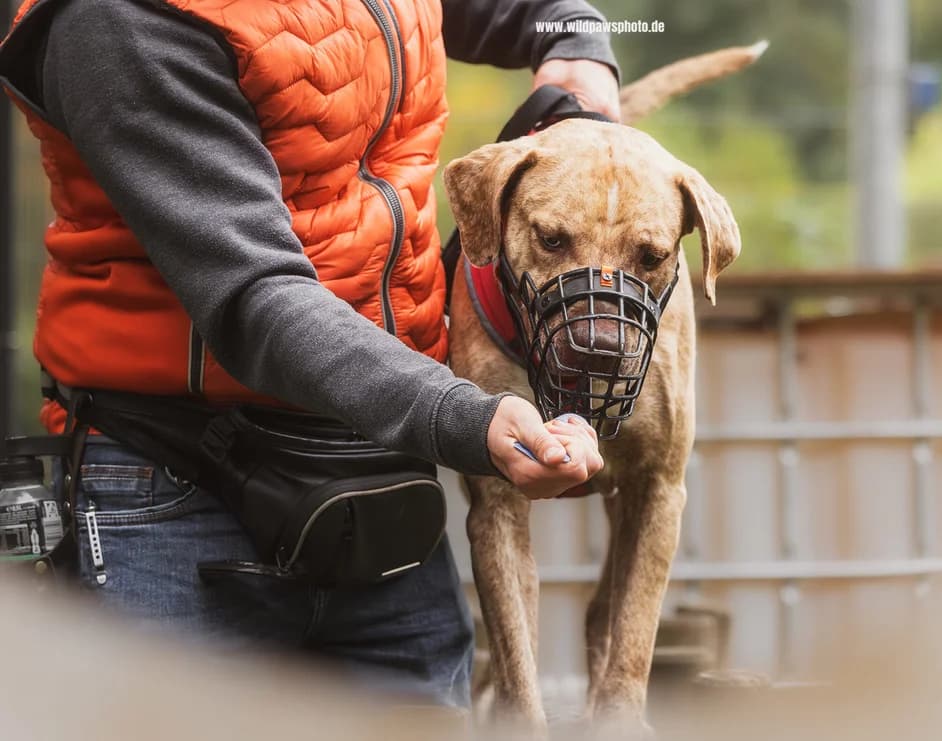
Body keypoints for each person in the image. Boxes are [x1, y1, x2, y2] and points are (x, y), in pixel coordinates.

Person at [0, 0, 616, 708]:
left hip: (378, 473)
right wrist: (465, 417)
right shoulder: (118, 21)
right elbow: (257, 299)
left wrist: (576, 35)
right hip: (176, 491)